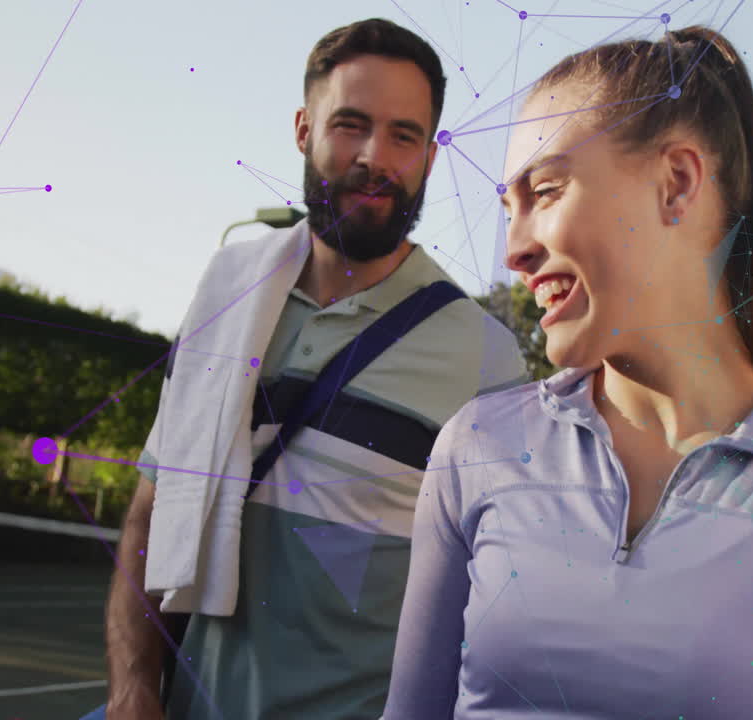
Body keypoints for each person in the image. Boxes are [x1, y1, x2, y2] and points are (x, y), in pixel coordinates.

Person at [382, 25, 753, 720]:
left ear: (676, 183)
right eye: (508, 210)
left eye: (547, 192)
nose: (515, 250)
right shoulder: (475, 448)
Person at [94, 18, 529, 720]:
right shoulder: (223, 301)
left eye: (404, 135)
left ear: (428, 157)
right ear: (303, 129)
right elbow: (149, 521)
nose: (373, 156)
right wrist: (133, 690)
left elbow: (507, 610)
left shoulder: (485, 358)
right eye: (350, 124)